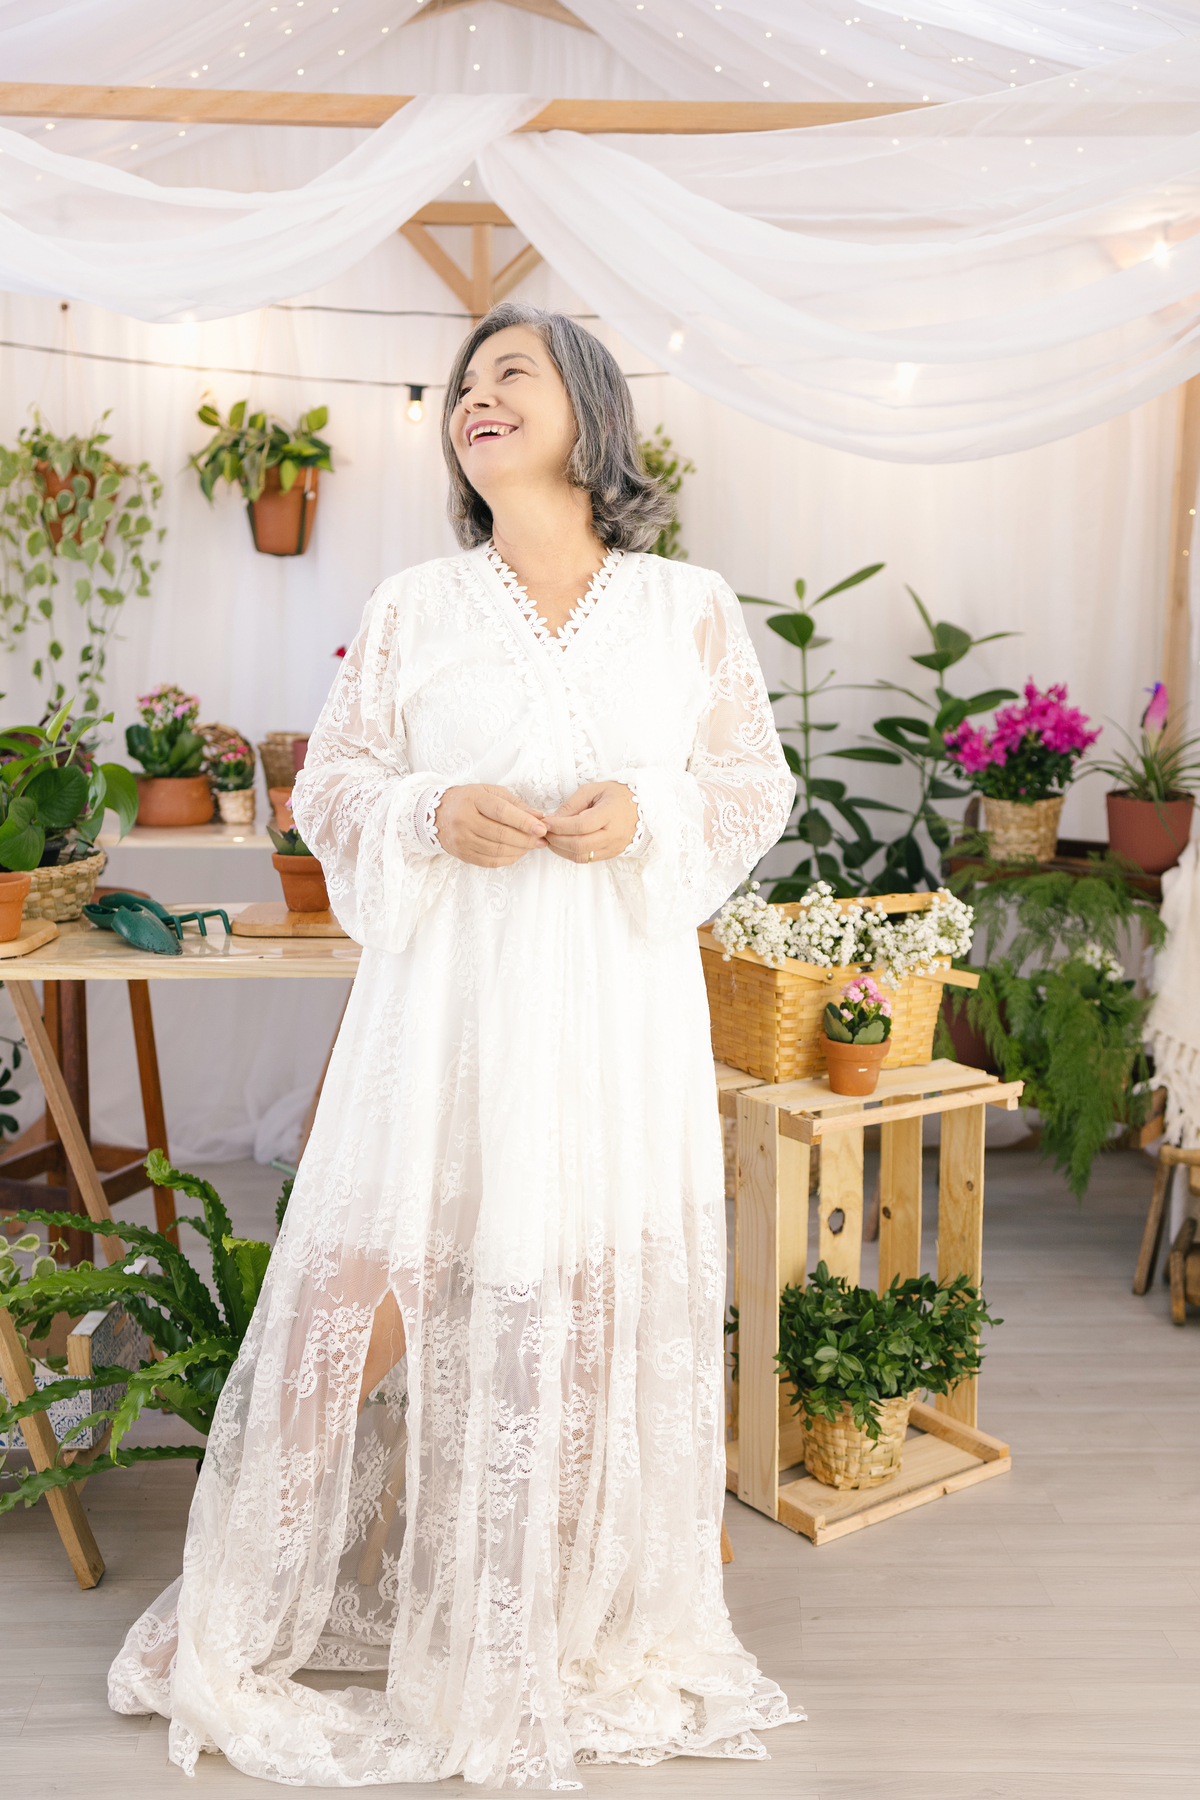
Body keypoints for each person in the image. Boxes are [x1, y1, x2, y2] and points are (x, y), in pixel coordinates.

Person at [109, 302, 799, 1788]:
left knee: (594, 1312)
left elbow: (748, 786)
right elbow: (337, 787)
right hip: (450, 1014)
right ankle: (238, 1612)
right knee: (357, 1304)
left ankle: (541, 1632)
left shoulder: (688, 604)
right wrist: (428, 811)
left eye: (513, 376)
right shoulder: (419, 604)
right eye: (465, 387)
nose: (477, 400)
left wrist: (651, 813)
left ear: (589, 414)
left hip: (616, 1011)